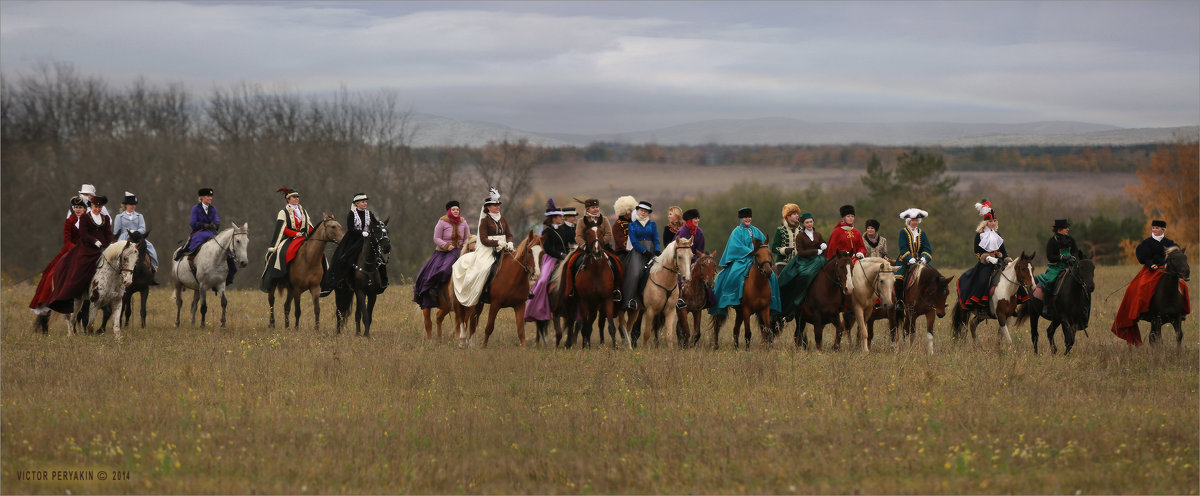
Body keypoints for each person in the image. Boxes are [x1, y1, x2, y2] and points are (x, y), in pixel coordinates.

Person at [1111, 219, 1191, 344]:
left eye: (1157, 228)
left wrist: (1168, 265)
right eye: (1153, 227)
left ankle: (1182, 312)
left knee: (1183, 286)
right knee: (1138, 286)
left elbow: (1177, 257)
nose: (1154, 230)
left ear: (1163, 230)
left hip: (1167, 270)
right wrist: (1150, 264)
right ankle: (1141, 311)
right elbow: (1143, 257)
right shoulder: (1146, 243)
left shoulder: (1170, 243)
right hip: (1152, 270)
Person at [47, 195, 113, 314]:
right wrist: (94, 241)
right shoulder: (85, 218)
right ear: (91, 206)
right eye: (95, 206)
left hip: (103, 248)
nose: (97, 209)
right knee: (81, 265)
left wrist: (111, 244)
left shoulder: (106, 218)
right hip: (88, 248)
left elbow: (108, 233)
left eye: (99, 207)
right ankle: (77, 290)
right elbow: (84, 234)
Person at [709, 207, 781, 316]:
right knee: (734, 272)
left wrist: (761, 254)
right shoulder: (736, 232)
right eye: (745, 217)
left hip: (758, 260)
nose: (747, 219)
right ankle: (731, 297)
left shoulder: (757, 231)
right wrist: (751, 251)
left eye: (749, 217)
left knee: (772, 276)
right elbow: (735, 246)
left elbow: (765, 245)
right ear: (741, 219)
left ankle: (772, 301)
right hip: (741, 259)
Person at [451, 187, 512, 306]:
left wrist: (510, 242)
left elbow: (509, 234)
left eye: (498, 205)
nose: (498, 207)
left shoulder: (503, 220)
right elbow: (483, 239)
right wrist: (497, 243)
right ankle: (484, 292)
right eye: (495, 205)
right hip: (488, 250)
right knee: (485, 268)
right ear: (488, 207)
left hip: (505, 248)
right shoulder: (485, 221)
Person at [322, 193, 388, 296]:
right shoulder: (352, 214)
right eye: (363, 202)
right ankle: (338, 281)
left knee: (380, 260)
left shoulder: (369, 213)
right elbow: (351, 229)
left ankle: (383, 282)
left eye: (366, 201)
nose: (365, 203)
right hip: (354, 240)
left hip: (367, 240)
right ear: (357, 203)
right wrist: (361, 233)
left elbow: (374, 224)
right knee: (344, 258)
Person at [31, 196, 86, 315]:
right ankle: (47, 301)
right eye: (76, 207)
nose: (77, 209)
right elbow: (67, 240)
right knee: (51, 274)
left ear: (85, 209)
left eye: (80, 207)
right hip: (71, 250)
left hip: (86, 250)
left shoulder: (89, 221)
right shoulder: (69, 221)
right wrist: (75, 249)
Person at [413, 200, 471, 310]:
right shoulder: (442, 222)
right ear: (449, 210)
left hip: (460, 251)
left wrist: (465, 242)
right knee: (443, 269)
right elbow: (436, 238)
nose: (456, 211)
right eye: (453, 209)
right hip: (444, 252)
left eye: (457, 209)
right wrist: (446, 245)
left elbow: (467, 237)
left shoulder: (463, 222)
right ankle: (434, 288)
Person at [562, 198, 621, 302]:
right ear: (587, 209)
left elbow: (608, 234)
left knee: (616, 263)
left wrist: (601, 244)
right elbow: (578, 237)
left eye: (597, 207)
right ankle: (571, 289)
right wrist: (585, 246)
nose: (596, 209)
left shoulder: (605, 219)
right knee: (571, 263)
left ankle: (616, 289)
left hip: (603, 247)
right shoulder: (581, 221)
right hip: (585, 249)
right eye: (593, 207)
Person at [526, 199, 573, 322]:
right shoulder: (546, 231)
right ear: (553, 218)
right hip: (551, 259)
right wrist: (560, 254)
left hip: (565, 257)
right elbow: (547, 249)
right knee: (542, 281)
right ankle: (537, 306)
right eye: (559, 216)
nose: (561, 218)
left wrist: (567, 254)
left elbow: (567, 243)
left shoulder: (563, 229)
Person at [955, 200, 1007, 310]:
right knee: (983, 279)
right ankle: (979, 302)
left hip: (999, 261)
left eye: (994, 221)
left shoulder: (998, 234)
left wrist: (1007, 259)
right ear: (986, 222)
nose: (993, 223)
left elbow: (1003, 250)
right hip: (986, 263)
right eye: (991, 221)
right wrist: (988, 258)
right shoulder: (979, 235)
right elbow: (977, 252)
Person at [260, 188, 313, 292]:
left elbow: (308, 226)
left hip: (303, 237)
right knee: (283, 253)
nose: (296, 198)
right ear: (288, 199)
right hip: (289, 238)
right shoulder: (283, 212)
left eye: (297, 197)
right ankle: (281, 276)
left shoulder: (303, 211)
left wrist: (315, 235)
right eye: (294, 197)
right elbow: (282, 228)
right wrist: (295, 233)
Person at [776, 212, 827, 314]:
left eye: (811, 222)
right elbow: (801, 252)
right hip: (804, 260)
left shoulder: (818, 234)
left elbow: (823, 245)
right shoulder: (800, 236)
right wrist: (815, 251)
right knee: (805, 274)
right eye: (807, 222)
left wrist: (823, 244)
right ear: (803, 224)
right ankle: (799, 296)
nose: (809, 224)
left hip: (817, 259)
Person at [1033, 218, 1082, 317]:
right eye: (1066, 228)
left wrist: (1072, 258)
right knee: (1050, 281)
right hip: (1055, 267)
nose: (1067, 229)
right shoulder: (1052, 241)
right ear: (1059, 229)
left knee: (1082, 279)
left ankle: (1082, 307)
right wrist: (1062, 258)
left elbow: (1075, 252)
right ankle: (1047, 305)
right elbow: (1050, 256)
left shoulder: (1071, 239)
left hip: (1070, 265)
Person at [620, 200, 660, 310]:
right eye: (641, 210)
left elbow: (656, 239)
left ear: (648, 213)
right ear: (637, 211)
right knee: (636, 274)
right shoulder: (632, 225)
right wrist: (644, 251)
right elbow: (634, 242)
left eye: (646, 211)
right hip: (637, 253)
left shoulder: (653, 224)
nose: (643, 212)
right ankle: (631, 300)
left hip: (651, 251)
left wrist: (657, 250)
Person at [112, 192, 159, 274]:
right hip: (124, 237)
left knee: (150, 247)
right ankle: (115, 268)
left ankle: (153, 266)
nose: (133, 206)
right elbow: (116, 231)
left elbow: (143, 228)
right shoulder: (119, 217)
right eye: (131, 204)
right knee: (117, 252)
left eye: (134, 204)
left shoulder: (139, 216)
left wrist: (135, 232)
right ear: (126, 205)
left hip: (137, 236)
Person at [176, 188, 219, 261]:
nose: (210, 198)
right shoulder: (195, 208)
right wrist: (203, 225)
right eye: (208, 196)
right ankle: (189, 253)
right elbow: (193, 223)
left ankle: (229, 259)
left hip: (212, 232)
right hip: (199, 232)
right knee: (199, 239)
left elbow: (216, 220)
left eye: (211, 196)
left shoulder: (213, 209)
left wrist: (216, 225)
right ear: (201, 197)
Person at [895, 208, 933, 287]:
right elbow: (903, 247)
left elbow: (926, 248)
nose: (915, 222)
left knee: (934, 275)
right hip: (905, 260)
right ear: (908, 221)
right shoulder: (903, 232)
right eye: (913, 220)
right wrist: (910, 258)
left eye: (916, 220)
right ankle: (899, 299)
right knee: (898, 278)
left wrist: (924, 257)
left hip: (920, 260)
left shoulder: (922, 233)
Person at [771, 203, 802, 270]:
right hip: (783, 264)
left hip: (798, 263)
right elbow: (774, 248)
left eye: (797, 214)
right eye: (794, 214)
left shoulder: (801, 230)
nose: (797, 216)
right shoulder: (780, 230)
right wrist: (784, 250)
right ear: (788, 216)